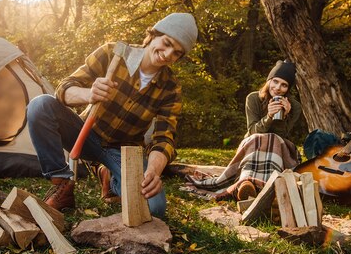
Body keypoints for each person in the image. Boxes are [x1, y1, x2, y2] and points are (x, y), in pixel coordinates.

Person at [26, 13, 198, 218]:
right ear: (154, 34)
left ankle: (110, 178)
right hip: (86, 133)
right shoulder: (112, 53)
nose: (168, 54)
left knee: (155, 208)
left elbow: (164, 138)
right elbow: (64, 88)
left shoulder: (171, 89)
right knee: (40, 105)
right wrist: (88, 94)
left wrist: (153, 170)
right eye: (167, 43)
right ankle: (62, 184)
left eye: (177, 53)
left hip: (123, 150)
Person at [186, 60, 302, 201]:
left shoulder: (294, 106)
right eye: (275, 81)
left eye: (284, 85)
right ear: (269, 80)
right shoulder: (253, 98)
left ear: (288, 89)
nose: (278, 88)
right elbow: (253, 130)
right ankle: (247, 184)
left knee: (273, 139)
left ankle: (264, 185)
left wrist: (284, 116)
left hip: (278, 148)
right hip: (254, 145)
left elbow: (284, 136)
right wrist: (269, 117)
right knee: (261, 138)